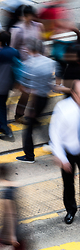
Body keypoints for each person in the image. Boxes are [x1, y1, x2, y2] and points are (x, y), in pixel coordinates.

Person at [16, 38, 55, 164]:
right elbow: (52, 79)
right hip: (45, 99)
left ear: (29, 49)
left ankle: (29, 156)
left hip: (35, 100)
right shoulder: (49, 62)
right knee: (40, 123)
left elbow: (24, 87)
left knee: (28, 129)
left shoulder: (28, 64)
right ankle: (53, 144)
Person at [49, 80, 80, 225]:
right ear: (73, 94)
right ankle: (71, 210)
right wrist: (61, 157)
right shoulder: (63, 109)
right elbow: (55, 134)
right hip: (69, 152)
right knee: (68, 184)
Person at [10, 5, 44, 122]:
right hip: (24, 66)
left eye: (31, 15)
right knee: (26, 92)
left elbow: (41, 43)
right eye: (27, 15)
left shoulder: (38, 26)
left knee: (38, 91)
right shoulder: (17, 30)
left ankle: (33, 114)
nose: (29, 18)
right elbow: (13, 49)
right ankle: (19, 115)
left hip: (37, 64)